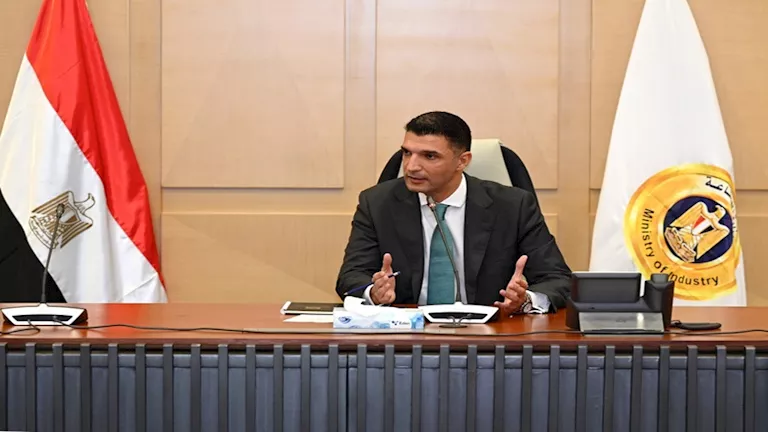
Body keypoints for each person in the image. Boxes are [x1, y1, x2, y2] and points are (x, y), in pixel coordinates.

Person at [335, 111, 571, 315]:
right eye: (407, 153)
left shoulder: (513, 206)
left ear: (462, 161)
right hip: (407, 333)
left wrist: (525, 300)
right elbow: (351, 276)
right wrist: (373, 293)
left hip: (489, 335)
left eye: (429, 156)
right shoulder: (377, 203)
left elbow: (558, 279)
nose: (411, 166)